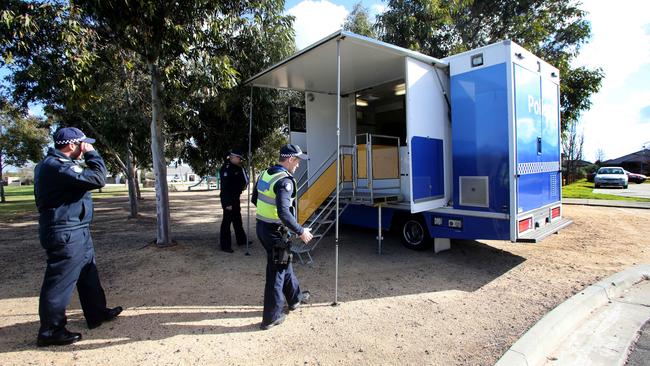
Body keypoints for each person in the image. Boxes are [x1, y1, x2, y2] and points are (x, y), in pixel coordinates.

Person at [34, 127, 122, 347]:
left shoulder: (60, 165)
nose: (85, 149)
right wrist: (93, 155)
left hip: (76, 229)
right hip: (64, 231)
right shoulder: (56, 166)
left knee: (88, 273)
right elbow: (98, 178)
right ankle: (50, 330)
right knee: (59, 283)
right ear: (72, 145)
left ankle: (97, 313)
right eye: (83, 145)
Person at [252, 144, 313, 330]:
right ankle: (271, 317)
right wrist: (301, 231)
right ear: (290, 159)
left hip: (263, 228)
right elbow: (284, 213)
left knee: (285, 264)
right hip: (275, 233)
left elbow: (255, 199)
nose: (298, 165)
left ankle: (295, 298)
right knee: (276, 272)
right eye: (297, 161)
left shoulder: (266, 174)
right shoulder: (285, 181)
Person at [218, 149, 249, 253]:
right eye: (239, 158)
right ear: (233, 157)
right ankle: (225, 245)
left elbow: (241, 180)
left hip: (235, 197)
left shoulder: (237, 167)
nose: (240, 160)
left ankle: (241, 240)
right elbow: (225, 187)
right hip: (229, 199)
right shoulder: (226, 168)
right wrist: (227, 203)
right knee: (227, 222)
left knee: (237, 220)